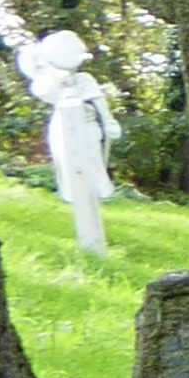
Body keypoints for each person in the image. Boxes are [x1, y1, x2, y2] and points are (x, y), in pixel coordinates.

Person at [19, 30, 120, 254]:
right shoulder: (45, 83)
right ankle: (83, 216)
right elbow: (47, 92)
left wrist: (109, 121)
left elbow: (98, 100)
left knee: (91, 161)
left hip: (86, 123)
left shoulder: (85, 80)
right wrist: (51, 72)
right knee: (70, 165)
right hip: (64, 124)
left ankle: (95, 201)